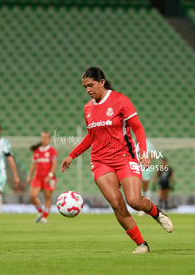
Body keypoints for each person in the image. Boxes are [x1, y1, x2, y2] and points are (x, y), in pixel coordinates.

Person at [61, 67, 173, 254]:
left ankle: (157, 213)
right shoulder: (88, 109)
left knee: (134, 200)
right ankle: (141, 244)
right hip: (100, 161)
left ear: (102, 82)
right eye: (85, 87)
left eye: (91, 85)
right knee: (116, 203)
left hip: (124, 157)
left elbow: (137, 127)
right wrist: (72, 155)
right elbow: (91, 136)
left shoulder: (120, 101)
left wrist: (144, 152)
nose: (88, 90)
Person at [27, 131, 58, 224]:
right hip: (37, 177)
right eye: (42, 137)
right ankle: (40, 212)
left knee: (47, 197)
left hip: (48, 177)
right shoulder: (37, 151)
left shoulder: (52, 151)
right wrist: (29, 175)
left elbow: (54, 164)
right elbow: (33, 165)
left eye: (46, 137)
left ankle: (44, 217)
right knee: (32, 196)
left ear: (49, 139)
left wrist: (50, 175)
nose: (44, 139)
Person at [135, 138, 155, 216]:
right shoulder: (131, 141)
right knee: (137, 187)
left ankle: (147, 207)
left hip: (145, 167)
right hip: (135, 166)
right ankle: (140, 208)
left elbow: (153, 154)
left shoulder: (148, 143)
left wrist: (146, 159)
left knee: (145, 188)